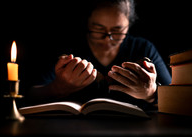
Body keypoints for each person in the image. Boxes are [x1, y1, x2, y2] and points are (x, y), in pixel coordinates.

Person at [27, 0, 171, 110]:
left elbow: (175, 99)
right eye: (98, 29)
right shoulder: (67, 48)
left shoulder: (143, 48)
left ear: (129, 26)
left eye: (117, 30)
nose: (108, 38)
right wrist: (58, 87)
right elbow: (28, 95)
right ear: (88, 23)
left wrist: (150, 93)